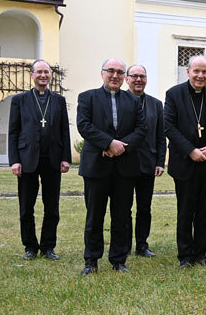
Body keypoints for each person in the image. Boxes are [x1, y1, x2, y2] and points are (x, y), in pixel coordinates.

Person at [77, 59, 147, 275]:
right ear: (102, 73)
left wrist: (120, 147)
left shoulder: (134, 101)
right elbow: (84, 125)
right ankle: (91, 261)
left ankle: (118, 260)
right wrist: (108, 143)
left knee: (121, 216)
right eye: (111, 71)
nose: (115, 75)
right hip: (96, 166)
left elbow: (141, 129)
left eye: (119, 72)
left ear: (124, 76)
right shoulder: (87, 97)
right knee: (94, 216)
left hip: (125, 167)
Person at [164, 55, 206, 268]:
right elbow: (169, 127)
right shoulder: (174, 94)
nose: (200, 76)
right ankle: (185, 255)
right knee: (186, 211)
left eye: (205, 72)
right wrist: (190, 150)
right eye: (197, 71)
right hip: (185, 162)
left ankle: (200, 253)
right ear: (188, 71)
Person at [8, 59, 71, 261]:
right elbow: (13, 132)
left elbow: (64, 131)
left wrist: (66, 158)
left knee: (52, 207)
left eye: (47, 72)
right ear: (32, 75)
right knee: (26, 207)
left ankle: (48, 247)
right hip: (27, 159)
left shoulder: (59, 100)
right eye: (39, 72)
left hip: (52, 159)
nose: (43, 75)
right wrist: (14, 160)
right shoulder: (20, 100)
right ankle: (30, 247)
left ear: (50, 75)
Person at [125, 65, 166, 258]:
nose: (138, 80)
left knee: (144, 207)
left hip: (148, 162)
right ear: (127, 79)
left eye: (142, 76)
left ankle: (142, 244)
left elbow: (160, 135)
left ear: (146, 79)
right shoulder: (119, 100)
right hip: (124, 163)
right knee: (123, 207)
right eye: (134, 76)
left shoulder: (156, 104)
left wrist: (160, 161)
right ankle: (123, 245)